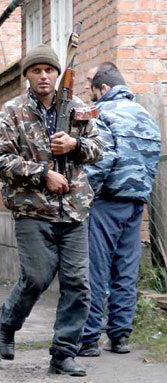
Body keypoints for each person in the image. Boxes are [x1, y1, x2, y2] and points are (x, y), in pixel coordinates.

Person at [0, 44, 103, 377]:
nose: (43, 76)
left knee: (78, 284)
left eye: (49, 70)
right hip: (32, 210)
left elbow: (99, 149)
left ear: (57, 74)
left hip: (75, 210)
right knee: (37, 277)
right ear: (26, 75)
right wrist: (43, 174)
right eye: (36, 70)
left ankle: (64, 353)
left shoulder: (78, 107)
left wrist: (75, 145)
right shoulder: (12, 111)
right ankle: (7, 322)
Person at [78, 63, 161, 357]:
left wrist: (84, 194)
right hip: (137, 203)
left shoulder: (105, 114)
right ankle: (120, 336)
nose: (91, 95)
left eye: (93, 89)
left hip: (107, 201)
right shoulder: (146, 116)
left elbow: (102, 160)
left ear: (104, 89)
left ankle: (88, 339)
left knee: (96, 271)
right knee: (125, 271)